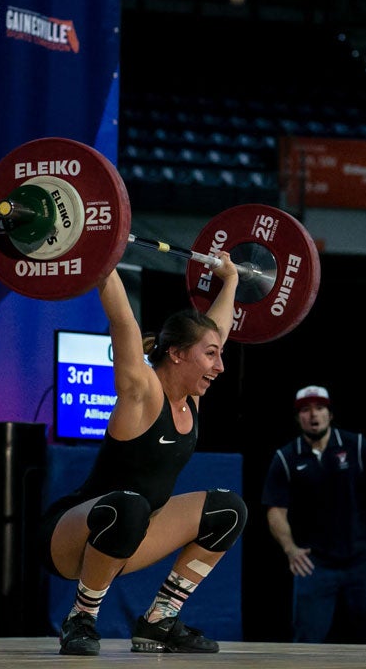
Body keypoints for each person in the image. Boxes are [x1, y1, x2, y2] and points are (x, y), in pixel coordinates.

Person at [38, 253, 248, 656]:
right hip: (73, 536)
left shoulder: (192, 398)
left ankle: (159, 620)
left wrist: (231, 281)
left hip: (136, 531)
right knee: (129, 506)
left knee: (229, 509)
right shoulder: (141, 390)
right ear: (177, 354)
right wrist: (102, 256)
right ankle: (81, 617)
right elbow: (123, 323)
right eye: (210, 355)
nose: (220, 366)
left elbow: (216, 328)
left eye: (218, 354)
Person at [262, 385, 366, 644]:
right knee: (305, 641)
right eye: (306, 410)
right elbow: (275, 510)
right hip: (315, 563)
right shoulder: (286, 457)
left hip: (362, 559)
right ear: (298, 417)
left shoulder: (355, 445)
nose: (314, 415)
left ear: (330, 414)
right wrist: (290, 548)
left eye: (320, 409)